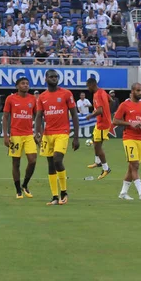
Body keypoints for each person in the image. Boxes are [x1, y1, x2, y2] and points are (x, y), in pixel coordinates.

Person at [34, 69, 80, 206]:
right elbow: (38, 117)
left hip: (62, 132)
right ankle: (54, 196)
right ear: (46, 79)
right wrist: (37, 133)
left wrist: (76, 137)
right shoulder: (42, 97)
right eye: (51, 77)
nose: (54, 79)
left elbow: (75, 115)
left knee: (57, 160)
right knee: (50, 164)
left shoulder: (66, 93)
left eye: (56, 77)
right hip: (48, 134)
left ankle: (64, 192)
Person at [113, 83, 141, 201]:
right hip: (129, 138)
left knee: (132, 167)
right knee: (135, 164)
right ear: (132, 91)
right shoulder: (125, 105)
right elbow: (115, 120)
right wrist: (130, 123)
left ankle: (123, 193)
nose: (140, 93)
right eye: (138, 91)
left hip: (140, 138)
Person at [2, 77, 37, 199]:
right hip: (15, 135)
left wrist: (38, 133)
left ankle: (25, 184)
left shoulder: (33, 99)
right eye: (23, 83)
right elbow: (5, 117)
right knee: (16, 163)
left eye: (27, 83)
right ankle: (18, 190)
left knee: (32, 161)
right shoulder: (10, 99)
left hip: (28, 134)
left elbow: (38, 117)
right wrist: (6, 135)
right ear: (17, 86)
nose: (25, 85)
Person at [86, 78, 113, 179]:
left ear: (92, 85)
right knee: (95, 141)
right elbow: (111, 101)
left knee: (98, 146)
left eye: (88, 86)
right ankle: (97, 162)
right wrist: (107, 111)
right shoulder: (102, 91)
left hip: (103, 124)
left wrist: (90, 115)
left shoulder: (97, 94)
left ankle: (106, 168)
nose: (87, 88)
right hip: (101, 122)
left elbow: (100, 110)